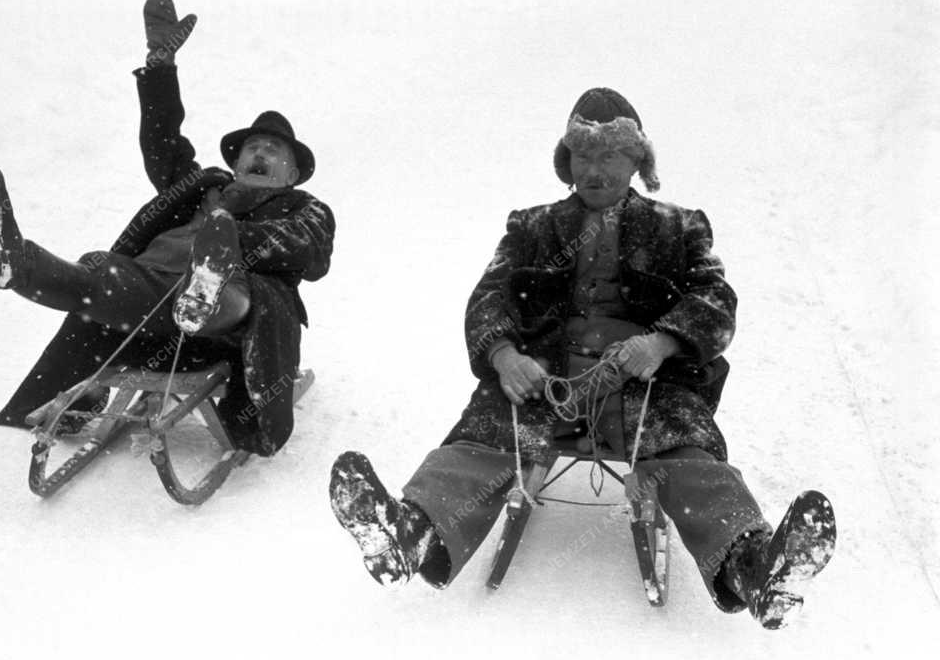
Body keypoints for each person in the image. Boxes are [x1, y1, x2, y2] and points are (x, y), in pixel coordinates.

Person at [329, 88, 835, 630]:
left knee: (690, 460)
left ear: (637, 160)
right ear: (566, 163)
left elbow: (716, 301)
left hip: (646, 387)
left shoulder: (680, 226)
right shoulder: (531, 226)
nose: (596, 169)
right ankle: (411, 533)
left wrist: (661, 343)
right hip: (548, 383)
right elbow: (488, 297)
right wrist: (504, 357)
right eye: (583, 156)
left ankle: (753, 568)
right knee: (484, 440)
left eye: (611, 155)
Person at [0, 0, 334, 455]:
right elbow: (163, 142)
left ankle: (206, 288)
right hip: (149, 305)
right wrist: (161, 65)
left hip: (227, 331)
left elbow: (310, 250)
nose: (260, 154)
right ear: (236, 160)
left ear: (292, 173)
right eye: (252, 147)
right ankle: (13, 264)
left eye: (273, 151)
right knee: (99, 269)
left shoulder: (303, 208)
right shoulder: (200, 186)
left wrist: (232, 234)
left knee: (222, 284)